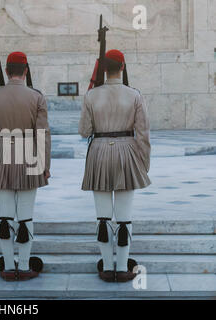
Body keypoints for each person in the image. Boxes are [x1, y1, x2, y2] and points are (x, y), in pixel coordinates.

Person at [79, 49, 151, 283]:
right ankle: (122, 267)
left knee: (102, 217)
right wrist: (144, 164)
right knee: (124, 217)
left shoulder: (91, 95)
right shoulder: (135, 94)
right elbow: (143, 134)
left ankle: (106, 267)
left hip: (99, 151)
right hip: (127, 152)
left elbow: (84, 131)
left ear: (103, 69)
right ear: (122, 67)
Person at [0, 52, 51, 281]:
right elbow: (43, 134)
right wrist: (44, 164)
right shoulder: (36, 96)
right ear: (26, 71)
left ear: (7, 72)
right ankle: (25, 264)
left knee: (5, 215)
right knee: (26, 216)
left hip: (1, 152)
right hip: (28, 153)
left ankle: (8, 266)